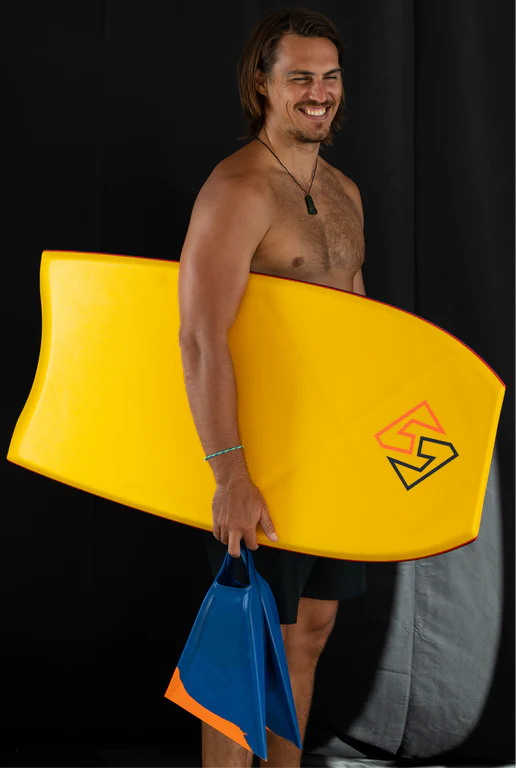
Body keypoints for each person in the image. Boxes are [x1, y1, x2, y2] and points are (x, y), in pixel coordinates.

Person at [177, 7, 366, 768]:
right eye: (300, 78)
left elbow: (358, 327)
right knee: (244, 646)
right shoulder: (238, 189)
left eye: (330, 77)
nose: (319, 93)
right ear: (262, 84)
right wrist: (230, 473)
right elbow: (200, 335)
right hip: (260, 454)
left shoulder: (345, 191)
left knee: (308, 634)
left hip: (330, 452)